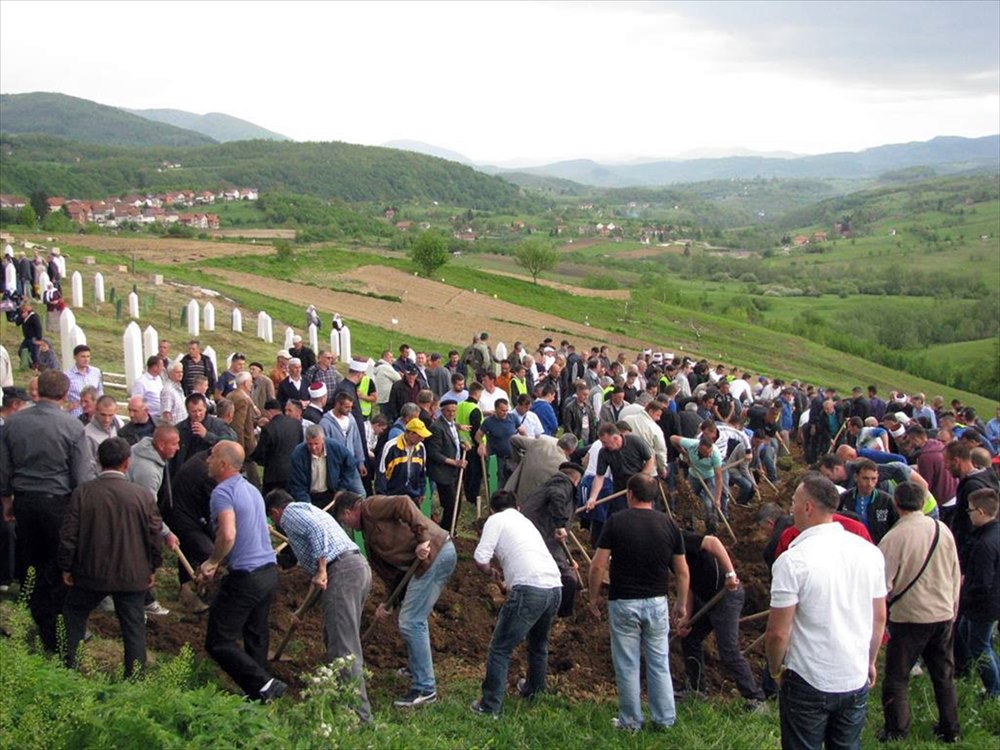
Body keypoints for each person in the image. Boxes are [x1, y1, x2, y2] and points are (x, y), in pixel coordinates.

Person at [765, 473, 887, 750]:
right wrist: (870, 661)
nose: (791, 508)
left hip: (808, 677)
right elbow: (879, 617)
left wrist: (775, 670)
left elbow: (777, 632)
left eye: (794, 502)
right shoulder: (869, 553)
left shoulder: (793, 561)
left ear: (808, 507)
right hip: (853, 675)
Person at [334, 491, 457, 708]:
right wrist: (387, 602)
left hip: (436, 553)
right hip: (426, 563)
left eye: (345, 520)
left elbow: (403, 503)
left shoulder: (371, 507)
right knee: (413, 618)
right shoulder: (369, 536)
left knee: (411, 621)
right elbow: (393, 574)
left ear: (349, 511)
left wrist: (423, 539)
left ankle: (425, 689)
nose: (348, 526)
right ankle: (416, 668)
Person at [587, 474, 689, 731]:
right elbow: (682, 571)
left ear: (629, 494)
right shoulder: (668, 524)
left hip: (623, 602)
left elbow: (598, 565)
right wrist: (681, 603)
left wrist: (593, 597)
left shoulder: (616, 522)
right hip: (656, 601)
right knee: (658, 661)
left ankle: (630, 721)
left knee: (627, 663)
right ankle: (665, 719)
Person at [58, 438, 163, 678]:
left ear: (98, 461)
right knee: (133, 627)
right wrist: (153, 566)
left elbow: (69, 535)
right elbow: (154, 535)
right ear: (127, 463)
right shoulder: (142, 496)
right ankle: (134, 679)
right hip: (132, 574)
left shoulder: (83, 492)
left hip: (90, 571)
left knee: (73, 614)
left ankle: (67, 669)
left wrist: (66, 566)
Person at [266, 489, 372, 723]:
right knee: (335, 638)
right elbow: (319, 576)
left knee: (344, 647)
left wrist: (323, 570)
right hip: (354, 568)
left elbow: (320, 549)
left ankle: (359, 718)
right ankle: (340, 699)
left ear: (275, 512)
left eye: (273, 519)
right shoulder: (307, 509)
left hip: (342, 570)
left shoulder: (291, 514)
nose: (276, 524)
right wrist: (301, 610)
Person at [0, 370, 89, 650]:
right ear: (64, 395)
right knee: (57, 560)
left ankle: (38, 615)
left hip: (24, 499)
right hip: (57, 500)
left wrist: (6, 500)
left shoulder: (13, 423)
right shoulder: (73, 427)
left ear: (38, 391)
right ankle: (55, 625)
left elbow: (4, 469)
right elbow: (81, 475)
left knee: (31, 557)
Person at [196, 441, 285, 703]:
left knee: (218, 640)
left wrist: (212, 562)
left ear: (223, 464)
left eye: (212, 456)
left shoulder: (222, 492)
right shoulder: (251, 489)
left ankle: (264, 683)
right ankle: (259, 696)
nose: (207, 460)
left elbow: (228, 533)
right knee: (256, 635)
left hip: (246, 576)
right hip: (268, 572)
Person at [877, 481, 961, 742]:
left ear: (896, 502)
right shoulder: (942, 529)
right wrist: (953, 608)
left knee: (897, 677)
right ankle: (951, 729)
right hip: (943, 613)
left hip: (910, 617)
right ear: (924, 501)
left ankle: (897, 730)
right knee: (943, 675)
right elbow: (955, 573)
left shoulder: (894, 537)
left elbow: (882, 583)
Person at [470, 489, 562, 716]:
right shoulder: (525, 522)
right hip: (554, 586)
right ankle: (534, 690)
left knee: (500, 649)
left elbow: (480, 558)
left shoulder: (495, 520)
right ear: (517, 507)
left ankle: (489, 706)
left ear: (492, 509)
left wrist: (490, 571)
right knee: (538, 645)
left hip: (530, 589)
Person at [677, 529, 765, 706]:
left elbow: (713, 542)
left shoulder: (678, 538)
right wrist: (686, 616)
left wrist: (730, 574)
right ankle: (697, 690)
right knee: (690, 638)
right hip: (707, 597)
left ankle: (755, 698)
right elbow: (690, 584)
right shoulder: (670, 554)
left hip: (727, 595)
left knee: (728, 650)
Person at [519, 462, 585, 617]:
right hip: (541, 536)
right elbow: (557, 496)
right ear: (576, 480)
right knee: (569, 579)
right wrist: (560, 525)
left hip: (535, 534)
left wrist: (568, 559)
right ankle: (561, 617)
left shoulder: (550, 484)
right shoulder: (562, 484)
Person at [954, 487, 1000, 699]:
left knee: (979, 647)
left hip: (983, 605)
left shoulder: (984, 544)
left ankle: (994, 691)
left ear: (981, 512)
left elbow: (982, 582)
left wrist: (965, 599)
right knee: (975, 639)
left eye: (970, 510)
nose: (968, 514)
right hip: (989, 602)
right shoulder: (994, 533)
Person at [425, 401, 467, 532]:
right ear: (442, 411)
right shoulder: (437, 427)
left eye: (454, 411)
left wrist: (462, 444)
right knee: (450, 504)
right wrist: (454, 462)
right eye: (449, 411)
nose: (451, 414)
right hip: (443, 472)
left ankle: (450, 529)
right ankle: (446, 531)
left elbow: (452, 441)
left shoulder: (453, 425)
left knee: (457, 503)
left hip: (455, 471)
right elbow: (434, 453)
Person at [671, 434, 724, 534]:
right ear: (699, 448)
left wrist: (717, 498)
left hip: (709, 477)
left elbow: (719, 478)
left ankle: (711, 530)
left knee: (709, 504)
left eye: (709, 452)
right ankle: (688, 526)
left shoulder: (715, 455)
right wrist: (683, 452)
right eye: (705, 453)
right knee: (688, 500)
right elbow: (672, 438)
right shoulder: (691, 445)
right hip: (694, 476)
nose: (708, 455)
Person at [377, 418, 431, 504]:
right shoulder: (390, 447)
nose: (422, 439)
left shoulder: (421, 448)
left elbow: (422, 472)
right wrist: (382, 497)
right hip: (392, 497)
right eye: (420, 436)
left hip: (413, 497)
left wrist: (422, 492)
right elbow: (381, 473)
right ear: (410, 433)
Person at [65, 344, 104, 417]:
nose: (86, 359)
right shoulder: (67, 376)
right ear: (75, 357)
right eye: (83, 356)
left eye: (88, 356)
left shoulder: (96, 372)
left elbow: (99, 392)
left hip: (93, 415)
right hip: (76, 414)